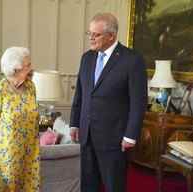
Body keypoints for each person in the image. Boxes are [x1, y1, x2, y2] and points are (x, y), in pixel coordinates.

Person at [70, 13, 147, 192]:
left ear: (111, 36)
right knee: (88, 185)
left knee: (114, 186)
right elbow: (80, 94)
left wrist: (131, 135)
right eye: (89, 33)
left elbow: (139, 102)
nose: (91, 38)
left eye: (96, 35)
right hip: (87, 134)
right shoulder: (87, 58)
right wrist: (74, 123)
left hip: (114, 138)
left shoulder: (132, 60)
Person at [0, 47, 40, 192]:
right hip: (6, 156)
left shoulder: (30, 87)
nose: (31, 68)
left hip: (30, 154)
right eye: (27, 65)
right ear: (16, 69)